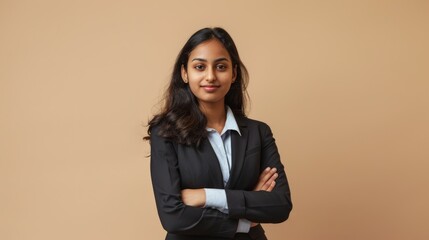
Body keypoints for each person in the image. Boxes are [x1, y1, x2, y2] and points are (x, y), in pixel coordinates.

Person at [145, 27, 292, 240]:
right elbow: (173, 216)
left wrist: (206, 196)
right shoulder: (166, 134)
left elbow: (280, 205)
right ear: (185, 73)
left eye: (221, 66)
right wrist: (247, 215)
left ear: (233, 74)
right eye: (200, 67)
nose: (210, 76)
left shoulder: (259, 132)